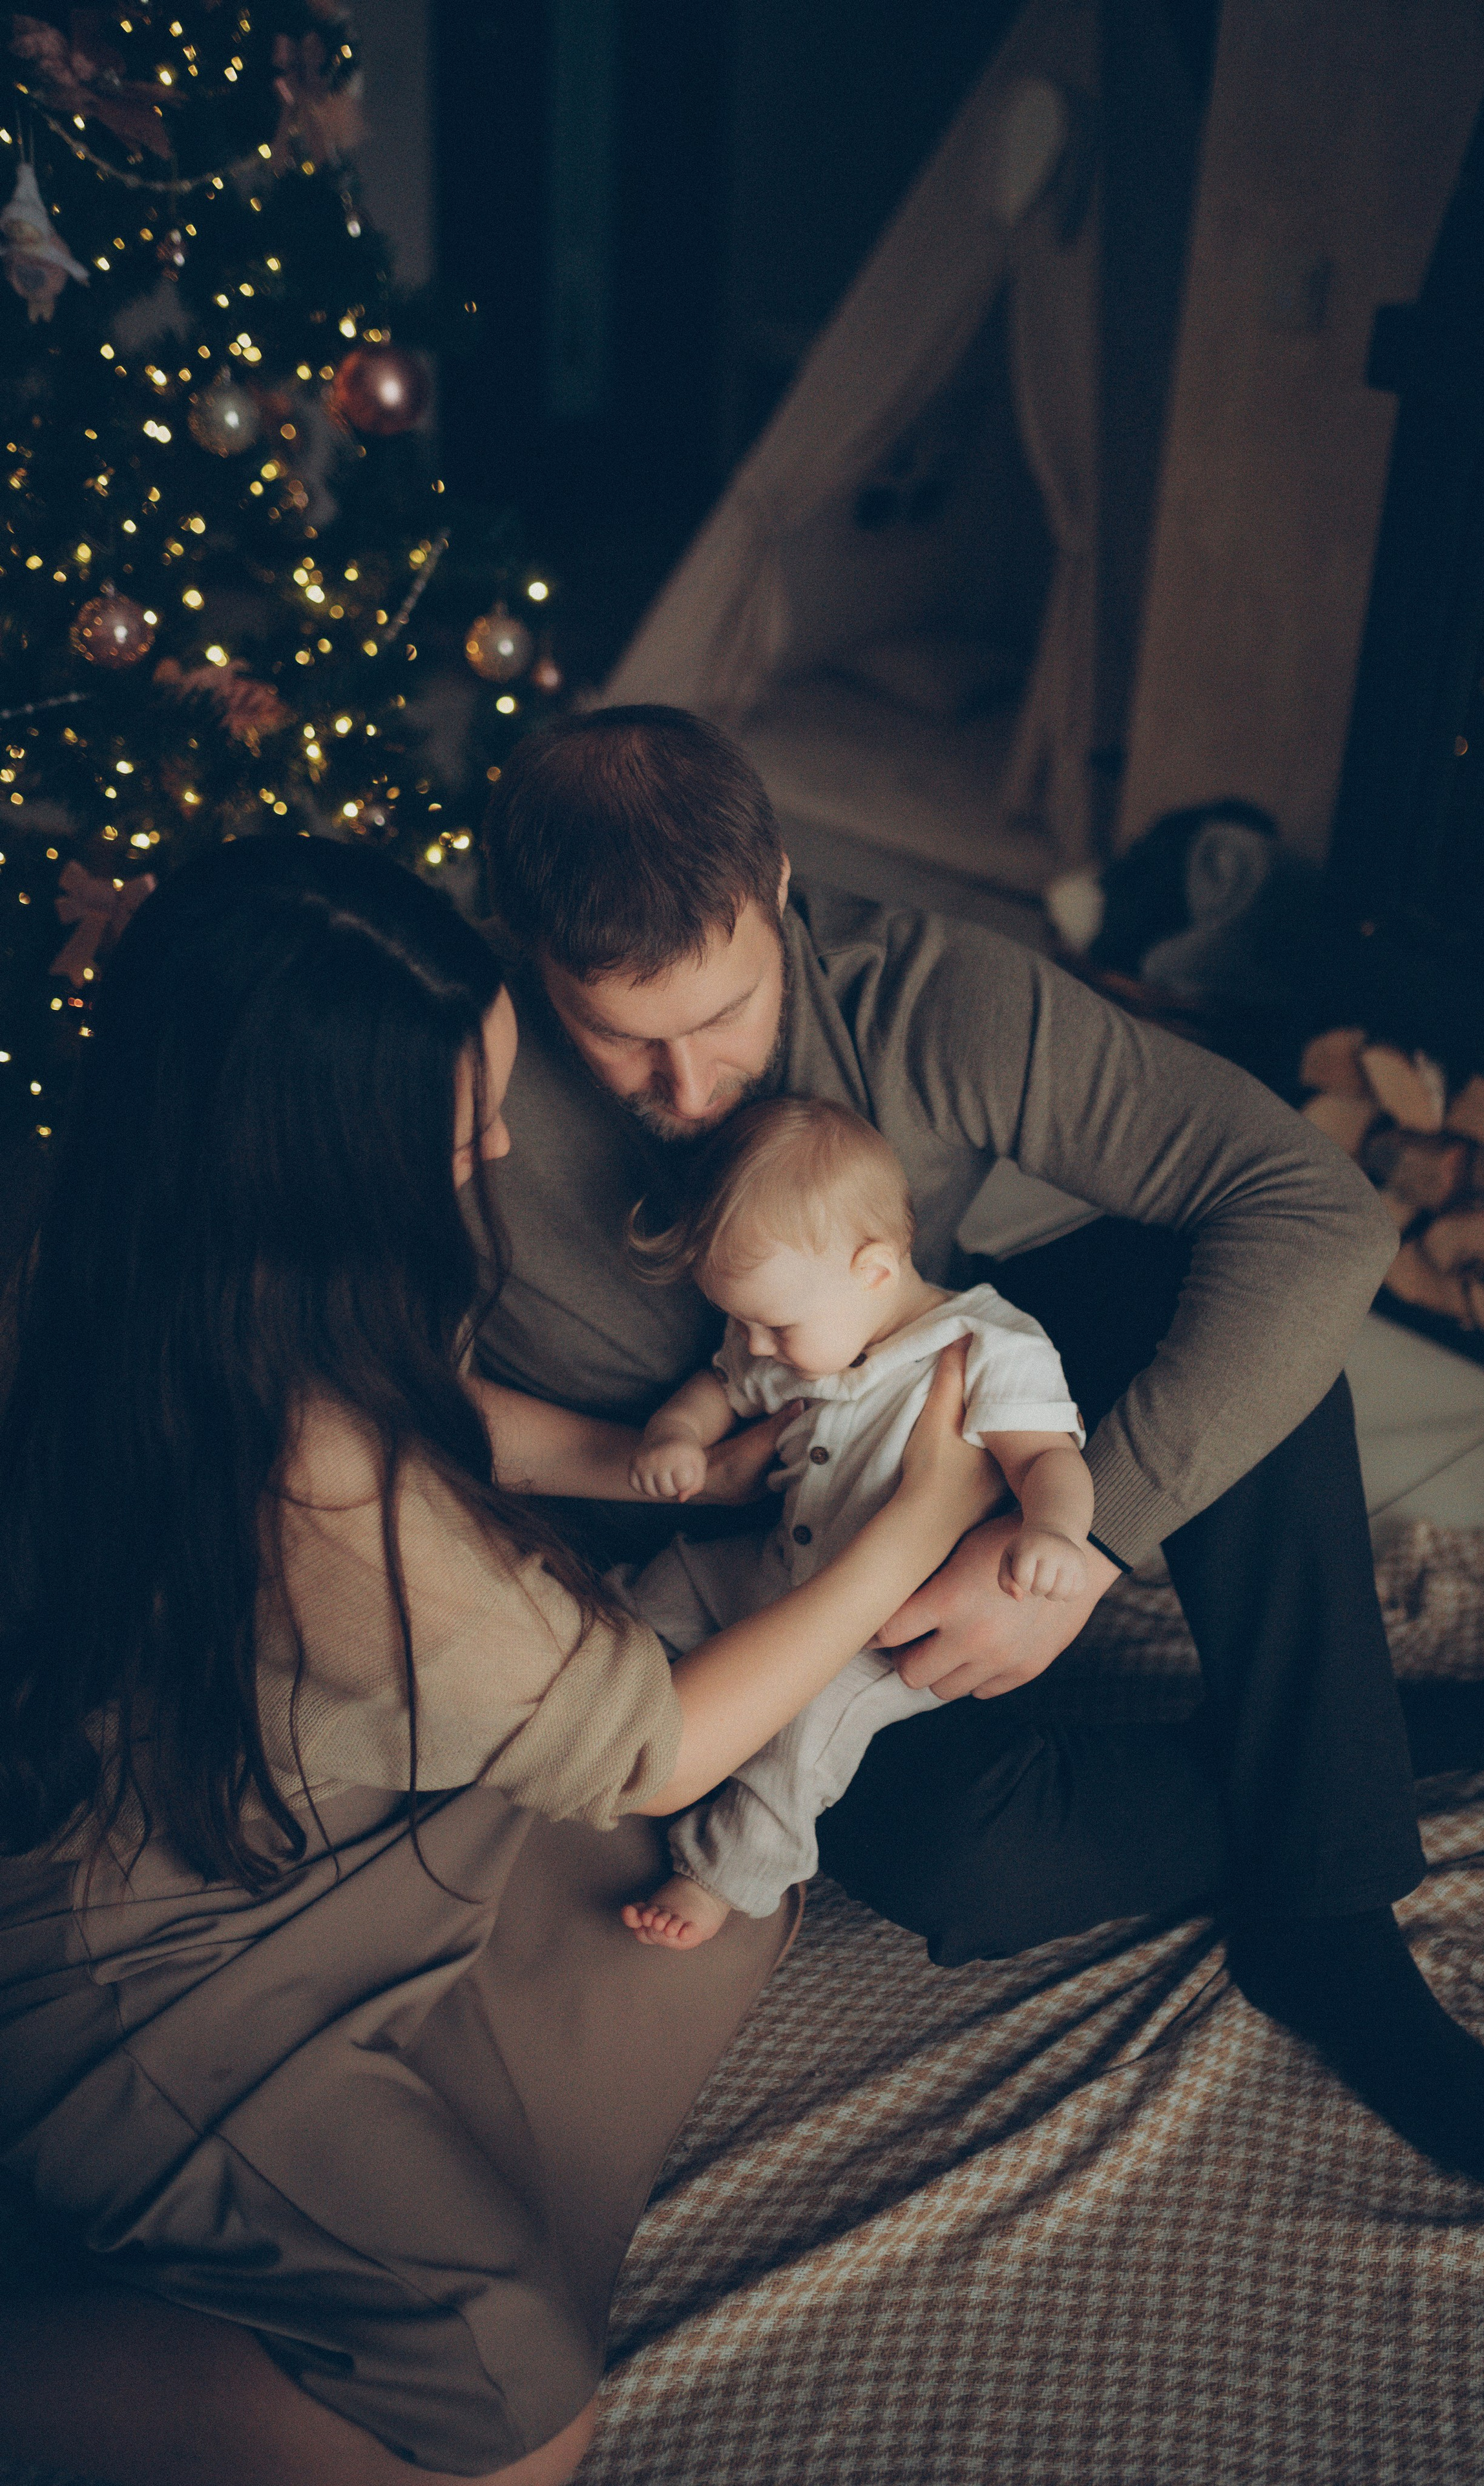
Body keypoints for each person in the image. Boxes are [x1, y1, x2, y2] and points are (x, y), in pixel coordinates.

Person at [472, 703, 1484, 2199]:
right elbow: (368, 1401)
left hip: (926, 1422)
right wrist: (642, 1459)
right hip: (737, 1559)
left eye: (728, 1014)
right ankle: (1351, 1759)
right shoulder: (441, 1070)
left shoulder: (920, 988)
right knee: (959, 1863)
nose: (693, 1093)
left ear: (784, 891)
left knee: (1218, 1309)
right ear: (519, 946)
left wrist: (1079, 1553)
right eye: (627, 1037)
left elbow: (1315, 1210)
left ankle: (1326, 1914)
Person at [0, 835, 998, 2486]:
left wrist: (665, 1462)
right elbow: (657, 1743)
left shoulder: (157, 1247)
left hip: (265, 1791)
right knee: (515, 2417)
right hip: (151, 1959)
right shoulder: (321, 1492)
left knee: (696, 1921)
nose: (502, 1141)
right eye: (463, 1123)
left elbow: (445, 1411)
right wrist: (904, 1532)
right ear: (321, 1155)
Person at [617, 1094, 1091, 1950]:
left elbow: (1048, 1459)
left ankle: (721, 1876)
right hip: (775, 1570)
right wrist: (679, 1436)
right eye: (742, 1322)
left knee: (801, 1740)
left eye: (773, 1324)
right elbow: (719, 1385)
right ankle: (609, 1668)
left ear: (874, 1269)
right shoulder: (806, 1328)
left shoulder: (991, 1348)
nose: (755, 1345)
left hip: (882, 1633)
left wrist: (1055, 1534)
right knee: (674, 1579)